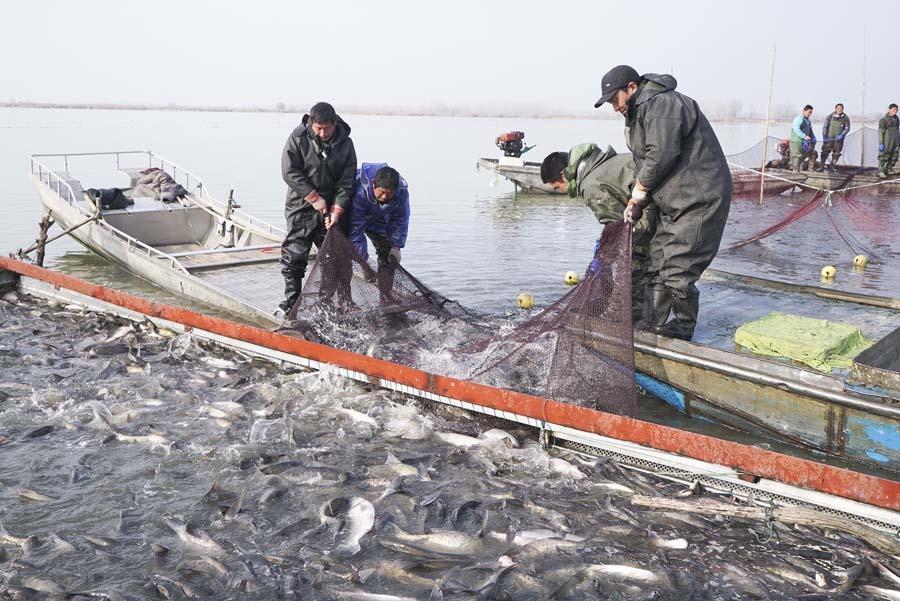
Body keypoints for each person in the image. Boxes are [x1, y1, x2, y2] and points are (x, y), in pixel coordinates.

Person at [594, 65, 732, 341]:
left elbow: (660, 155)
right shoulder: (638, 112)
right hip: (674, 201)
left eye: (614, 100)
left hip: (699, 198)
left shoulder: (662, 104)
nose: (614, 107)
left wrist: (638, 195)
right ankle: (650, 326)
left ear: (631, 88)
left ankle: (682, 329)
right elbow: (643, 162)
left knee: (679, 266)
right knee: (657, 262)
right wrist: (640, 203)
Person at [540, 144, 654, 321]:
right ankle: (645, 316)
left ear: (563, 175)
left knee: (635, 261)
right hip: (655, 201)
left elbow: (617, 222)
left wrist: (604, 256)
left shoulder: (589, 184)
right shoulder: (598, 166)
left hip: (654, 206)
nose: (560, 192)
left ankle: (635, 321)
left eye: (557, 187)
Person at [279, 102, 357, 315]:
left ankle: (327, 302)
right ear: (311, 124)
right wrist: (314, 198)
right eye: (318, 129)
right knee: (295, 256)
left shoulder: (346, 144)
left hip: (331, 208)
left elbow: (347, 180)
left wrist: (337, 208)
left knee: (335, 258)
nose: (323, 133)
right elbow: (289, 171)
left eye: (327, 128)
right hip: (301, 205)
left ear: (334, 123)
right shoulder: (298, 138)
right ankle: (291, 304)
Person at [350, 163, 410, 302]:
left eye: (389, 194)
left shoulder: (401, 192)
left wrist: (396, 246)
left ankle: (385, 295)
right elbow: (355, 229)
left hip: (379, 219)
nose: (384, 196)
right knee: (347, 253)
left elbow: (401, 219)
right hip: (352, 216)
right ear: (373, 184)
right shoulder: (360, 192)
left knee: (387, 255)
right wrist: (363, 262)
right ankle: (345, 300)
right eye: (381, 192)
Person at [819, 103, 850, 172]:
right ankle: (821, 166)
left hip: (839, 140)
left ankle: (832, 167)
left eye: (841, 108)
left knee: (836, 153)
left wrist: (842, 135)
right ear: (835, 109)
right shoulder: (830, 117)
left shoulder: (845, 118)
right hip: (829, 138)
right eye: (838, 108)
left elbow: (847, 128)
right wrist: (824, 136)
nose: (840, 109)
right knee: (825, 152)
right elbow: (825, 127)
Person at [790, 105, 817, 172]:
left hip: (805, 143)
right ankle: (795, 172)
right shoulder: (799, 119)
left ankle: (809, 170)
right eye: (808, 112)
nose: (809, 114)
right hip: (796, 142)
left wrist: (813, 137)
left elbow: (810, 130)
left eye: (811, 112)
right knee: (797, 157)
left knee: (813, 153)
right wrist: (804, 136)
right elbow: (796, 129)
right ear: (804, 111)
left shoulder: (807, 120)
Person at [878, 103, 899, 179]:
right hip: (887, 141)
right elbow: (881, 132)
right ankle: (881, 171)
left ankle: (889, 168)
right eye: (894, 109)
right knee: (884, 156)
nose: (895, 111)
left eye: (896, 110)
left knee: (894, 155)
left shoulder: (896, 119)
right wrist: (881, 143)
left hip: (896, 141)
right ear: (889, 110)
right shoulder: (883, 120)